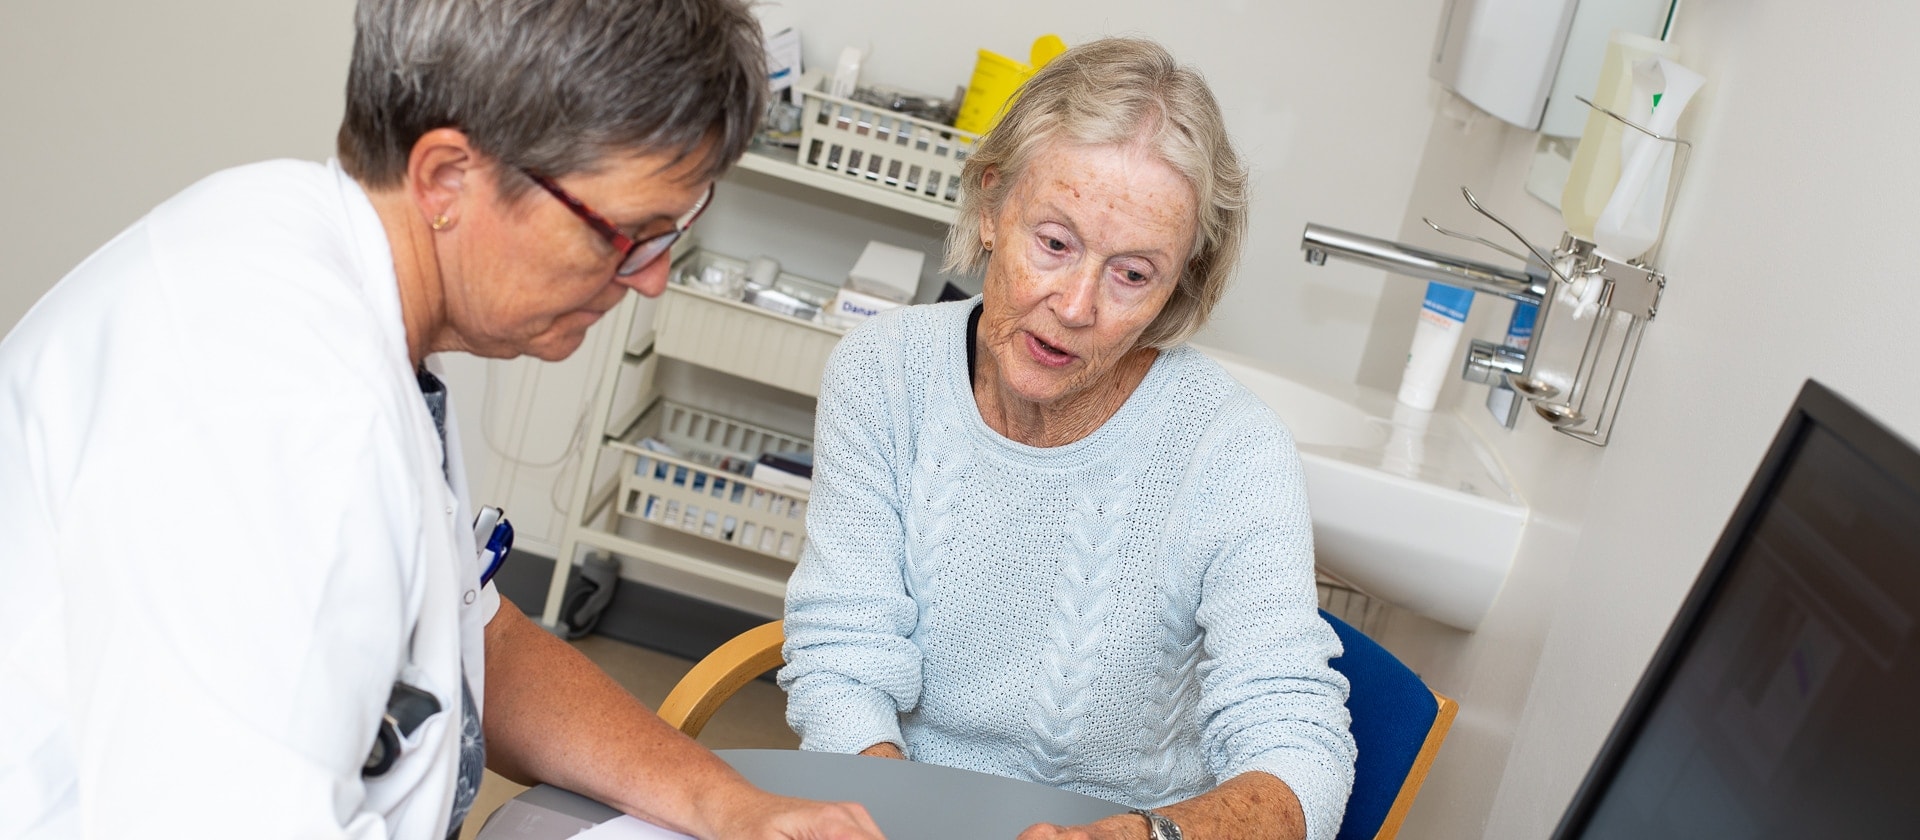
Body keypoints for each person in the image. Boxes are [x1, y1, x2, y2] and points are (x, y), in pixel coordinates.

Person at [0, 1, 885, 838]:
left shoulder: (312, 250)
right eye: (626, 233)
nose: (649, 276)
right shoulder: (287, 416)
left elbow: (478, 641)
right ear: (448, 178)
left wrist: (729, 806)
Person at [779, 37, 1357, 840]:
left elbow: (1301, 752)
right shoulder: (884, 371)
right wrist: (899, 820)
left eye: (1133, 274)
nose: (1077, 305)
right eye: (1054, 243)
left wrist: (1141, 837)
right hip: (896, 813)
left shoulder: (1233, 449)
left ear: (1180, 283)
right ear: (991, 206)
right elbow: (843, 655)